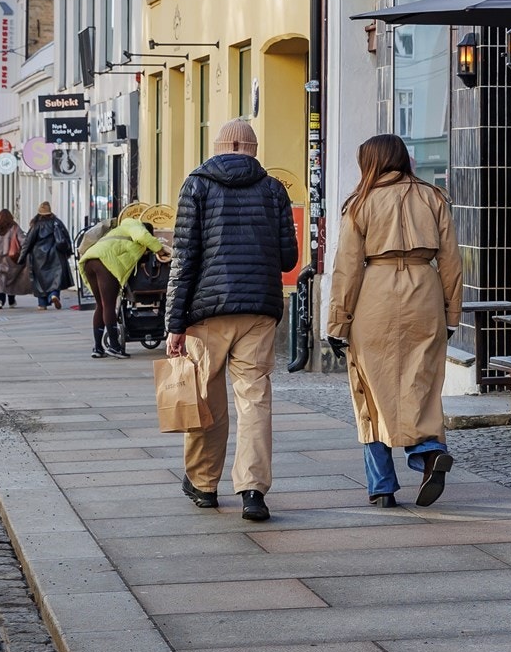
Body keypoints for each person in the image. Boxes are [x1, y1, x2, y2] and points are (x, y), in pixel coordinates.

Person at [164, 118, 298, 523]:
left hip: (207, 312)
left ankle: (204, 485)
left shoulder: (197, 185)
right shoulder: (274, 190)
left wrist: (174, 323)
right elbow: (289, 259)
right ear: (249, 148)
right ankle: (253, 490)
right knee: (254, 399)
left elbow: (184, 258)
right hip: (259, 309)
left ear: (223, 146)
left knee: (205, 399)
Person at [328, 134, 463, 507]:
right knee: (422, 382)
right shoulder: (434, 197)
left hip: (376, 295)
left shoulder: (359, 204)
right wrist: (452, 313)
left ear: (369, 162)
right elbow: (451, 261)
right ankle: (428, 453)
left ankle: (383, 487)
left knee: (370, 391)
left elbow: (347, 270)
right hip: (425, 290)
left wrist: (337, 325)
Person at [80, 217, 170, 358]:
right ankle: (115, 347)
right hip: (106, 261)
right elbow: (142, 236)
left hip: (90, 260)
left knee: (101, 305)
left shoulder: (121, 231)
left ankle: (97, 348)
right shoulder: (134, 224)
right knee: (108, 305)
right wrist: (159, 249)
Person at [18, 201, 73, 309]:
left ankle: (42, 304)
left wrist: (21, 258)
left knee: (40, 282)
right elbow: (66, 238)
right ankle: (53, 295)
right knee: (55, 280)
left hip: (39, 257)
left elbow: (28, 243)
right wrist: (68, 252)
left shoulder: (36, 225)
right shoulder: (57, 222)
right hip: (56, 255)